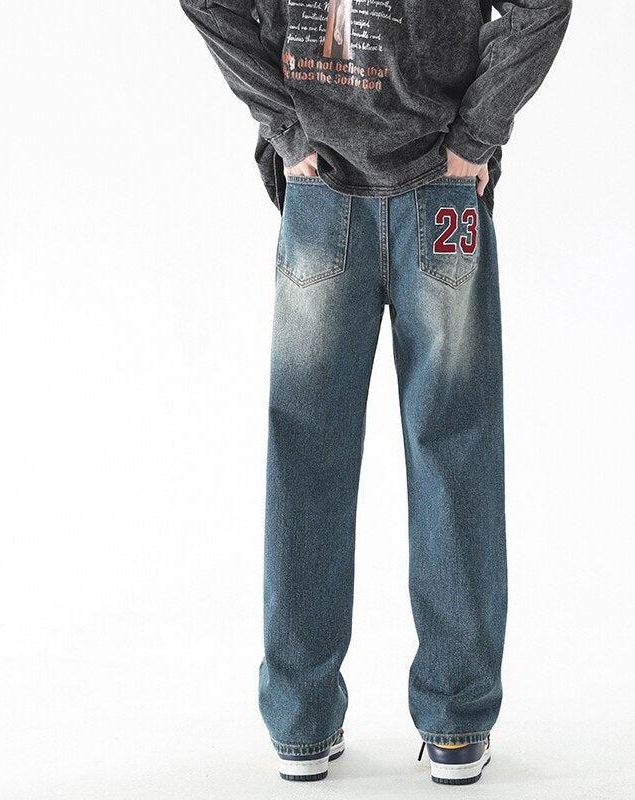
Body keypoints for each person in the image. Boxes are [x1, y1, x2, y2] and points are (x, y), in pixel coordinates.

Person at [180, 0, 571, 785]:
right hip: (436, 191)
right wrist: (473, 137)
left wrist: (290, 131)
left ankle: (301, 724)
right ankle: (456, 724)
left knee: (308, 459)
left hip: (328, 191)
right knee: (454, 451)